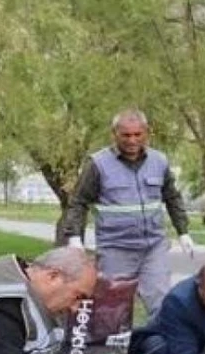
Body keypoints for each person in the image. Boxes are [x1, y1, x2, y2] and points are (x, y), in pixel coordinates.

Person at [63, 109, 195, 318]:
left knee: (162, 305)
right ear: (114, 134)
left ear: (146, 133)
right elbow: (78, 202)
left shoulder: (159, 161)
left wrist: (183, 231)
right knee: (112, 310)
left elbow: (172, 197)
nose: (132, 140)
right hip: (116, 249)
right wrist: (74, 238)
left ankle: (159, 347)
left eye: (137, 134)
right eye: (126, 135)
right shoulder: (98, 164)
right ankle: (111, 349)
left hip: (153, 248)